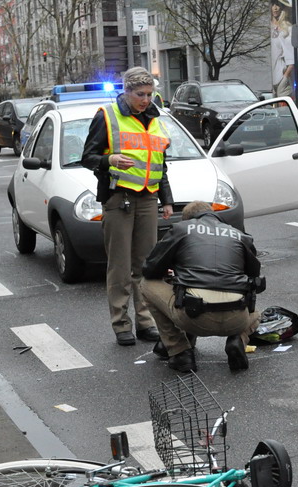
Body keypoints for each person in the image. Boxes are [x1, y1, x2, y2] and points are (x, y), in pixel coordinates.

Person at [82, 66, 173, 347]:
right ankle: (121, 324)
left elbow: (159, 164)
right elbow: (88, 157)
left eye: (150, 94)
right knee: (119, 267)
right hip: (118, 197)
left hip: (147, 198)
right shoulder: (107, 116)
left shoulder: (155, 118)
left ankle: (145, 322)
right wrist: (110, 161)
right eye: (140, 94)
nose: (146, 100)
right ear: (127, 91)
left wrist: (166, 199)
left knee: (145, 266)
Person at [140, 201, 264, 374]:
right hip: (236, 320)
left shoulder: (181, 229)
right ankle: (238, 339)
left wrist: (175, 269)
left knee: (147, 285)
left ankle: (179, 351)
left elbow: (150, 270)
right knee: (257, 314)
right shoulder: (239, 235)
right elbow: (254, 275)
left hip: (194, 317)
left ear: (188, 219)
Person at [271, 0, 295, 99]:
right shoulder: (269, 27)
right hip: (271, 76)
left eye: (278, 5)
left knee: (283, 108)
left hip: (280, 77)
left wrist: (285, 77)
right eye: (273, 5)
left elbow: (291, 55)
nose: (275, 8)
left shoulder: (287, 29)